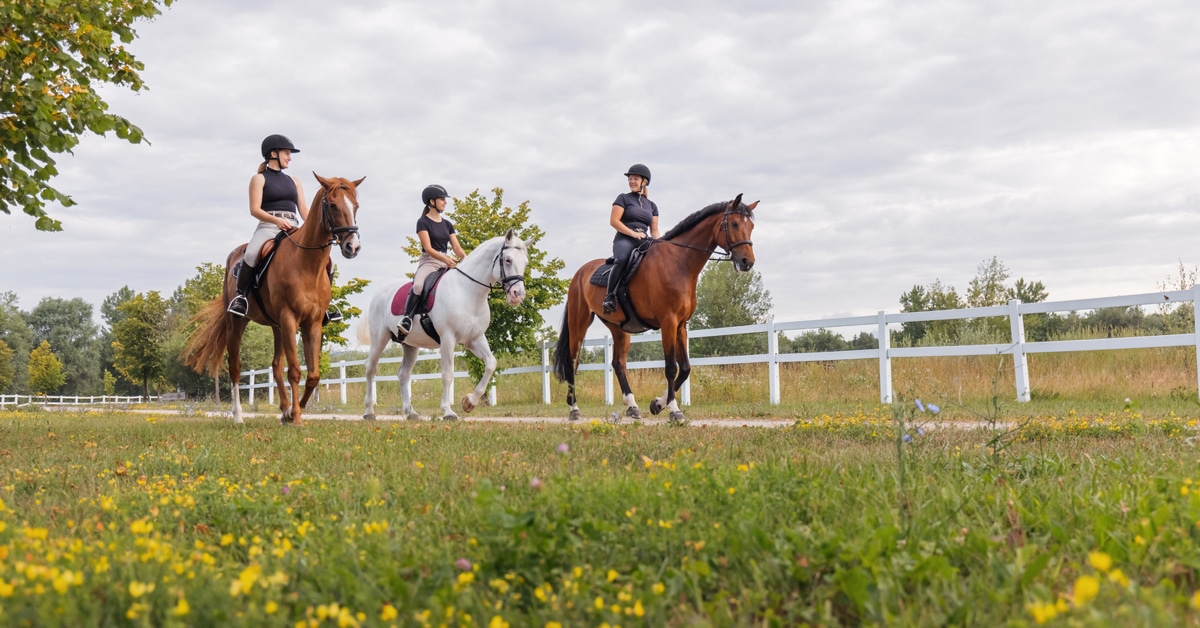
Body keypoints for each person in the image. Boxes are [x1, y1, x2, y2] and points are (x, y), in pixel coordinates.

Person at [227, 134, 341, 323]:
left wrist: (314, 228)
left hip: (293, 227)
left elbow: (304, 209)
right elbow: (254, 209)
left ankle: (326, 304)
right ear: (274, 154)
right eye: (287, 153)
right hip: (269, 226)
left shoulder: (294, 181)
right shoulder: (259, 179)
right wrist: (275, 220)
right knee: (251, 253)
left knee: (329, 261)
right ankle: (241, 297)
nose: (290, 157)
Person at [398, 184, 467, 336]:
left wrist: (467, 260)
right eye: (442, 199)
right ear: (431, 202)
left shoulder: (448, 224)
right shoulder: (422, 222)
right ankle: (407, 319)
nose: (445, 202)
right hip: (429, 261)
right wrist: (445, 259)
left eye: (444, 200)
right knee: (417, 286)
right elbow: (428, 248)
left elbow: (456, 247)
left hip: (447, 261)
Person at [604, 163, 659, 314]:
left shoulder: (652, 206)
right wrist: (633, 233)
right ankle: (609, 297)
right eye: (630, 179)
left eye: (635, 179)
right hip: (625, 239)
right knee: (621, 260)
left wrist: (660, 243)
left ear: (644, 182)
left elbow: (654, 230)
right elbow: (614, 221)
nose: (631, 182)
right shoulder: (623, 198)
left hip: (644, 240)